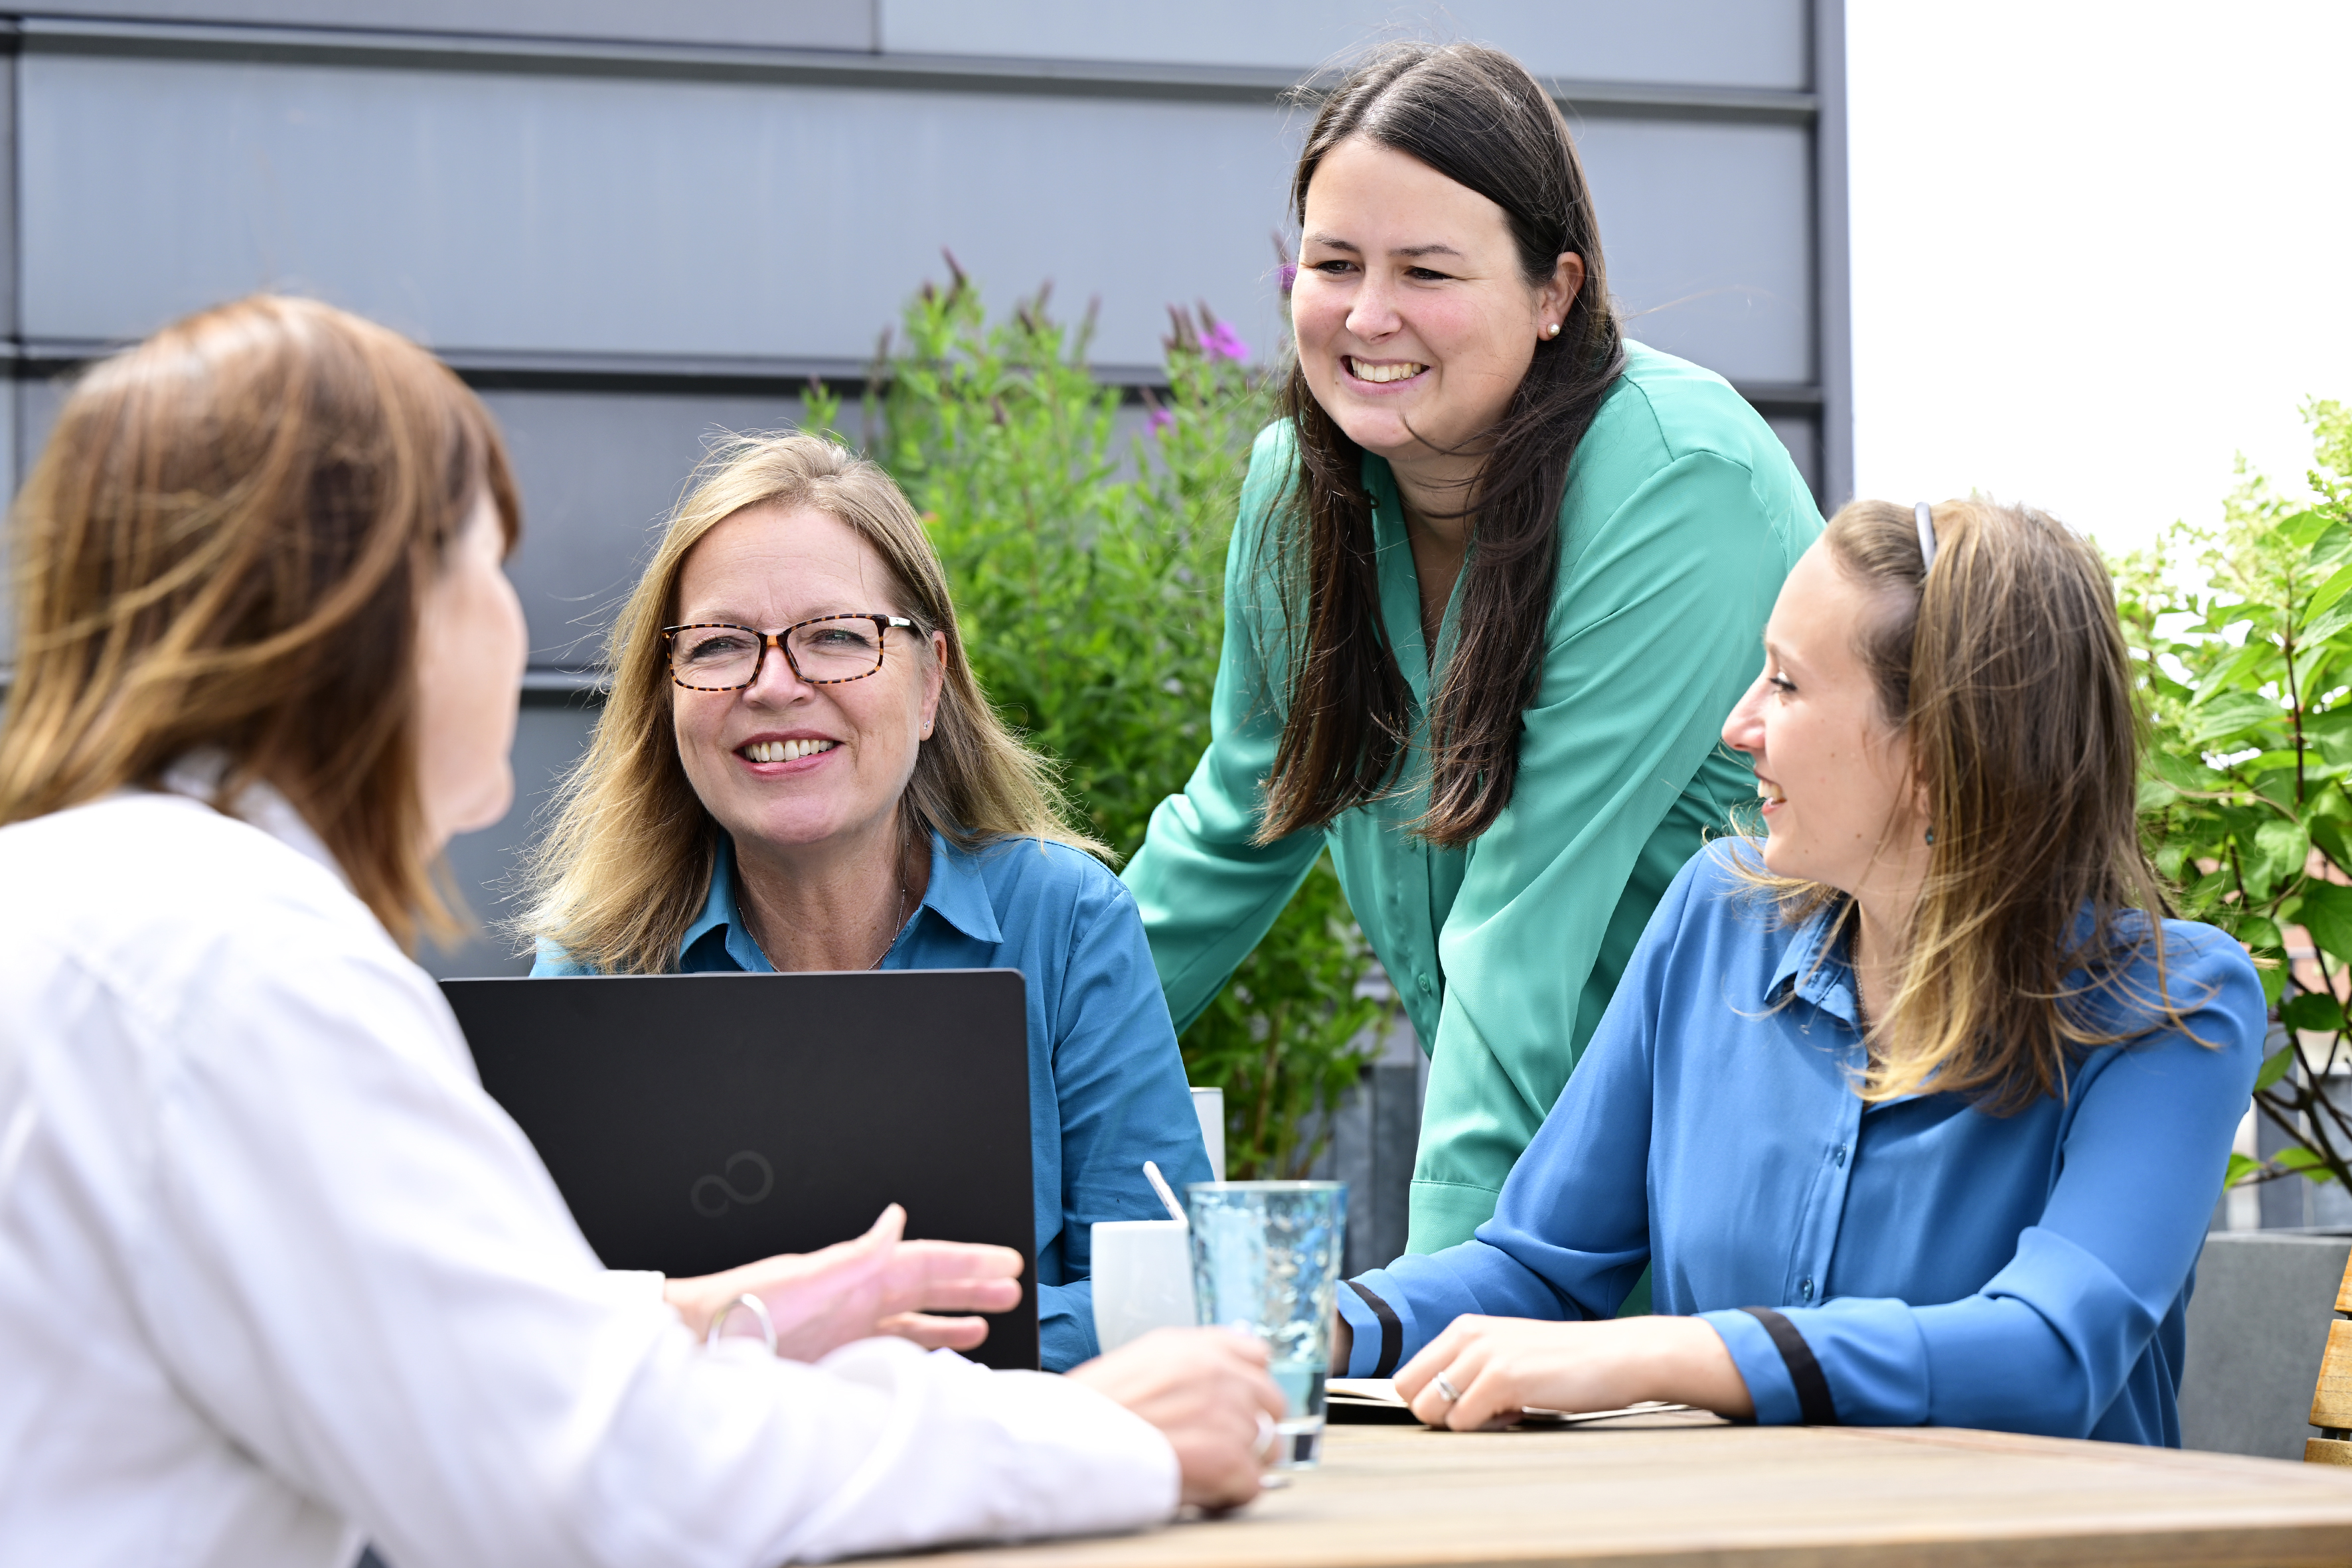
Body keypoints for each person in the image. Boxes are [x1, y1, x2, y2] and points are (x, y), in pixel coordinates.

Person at [0, 295, 1285, 1568]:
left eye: (836, 636)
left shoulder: (104, 914)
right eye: (484, 564)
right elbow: (581, 1473)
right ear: (377, 616)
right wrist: (1104, 1437)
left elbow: (458, 1356)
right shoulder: (245, 969)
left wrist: (713, 1315)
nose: (512, 627)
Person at [1329, 498, 2265, 1444]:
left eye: (1786, 683)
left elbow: (2051, 1352)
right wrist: (1314, 1326)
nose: (1742, 724)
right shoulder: (1714, 919)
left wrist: (1670, 1352)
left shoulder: (2171, 1007)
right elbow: (1537, 1268)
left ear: (1938, 754)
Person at [1121, 40, 1824, 1257]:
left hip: (1752, 1189)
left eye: (1427, 271)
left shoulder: (1673, 479)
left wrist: (1440, 1297)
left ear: (1556, 291)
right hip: (1531, 1207)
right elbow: (1233, 831)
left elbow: (1522, 924)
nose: (1367, 314)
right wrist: (980, 1082)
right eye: (1332, 263)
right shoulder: (1301, 489)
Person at [519, 433, 1213, 1371]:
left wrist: (843, 1336)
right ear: (666, 695)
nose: (774, 684)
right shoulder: (597, 963)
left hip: (1012, 1493)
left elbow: (1166, 1297)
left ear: (929, 683)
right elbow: (540, 1323)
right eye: (720, 645)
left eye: (836, 637)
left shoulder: (1067, 920)